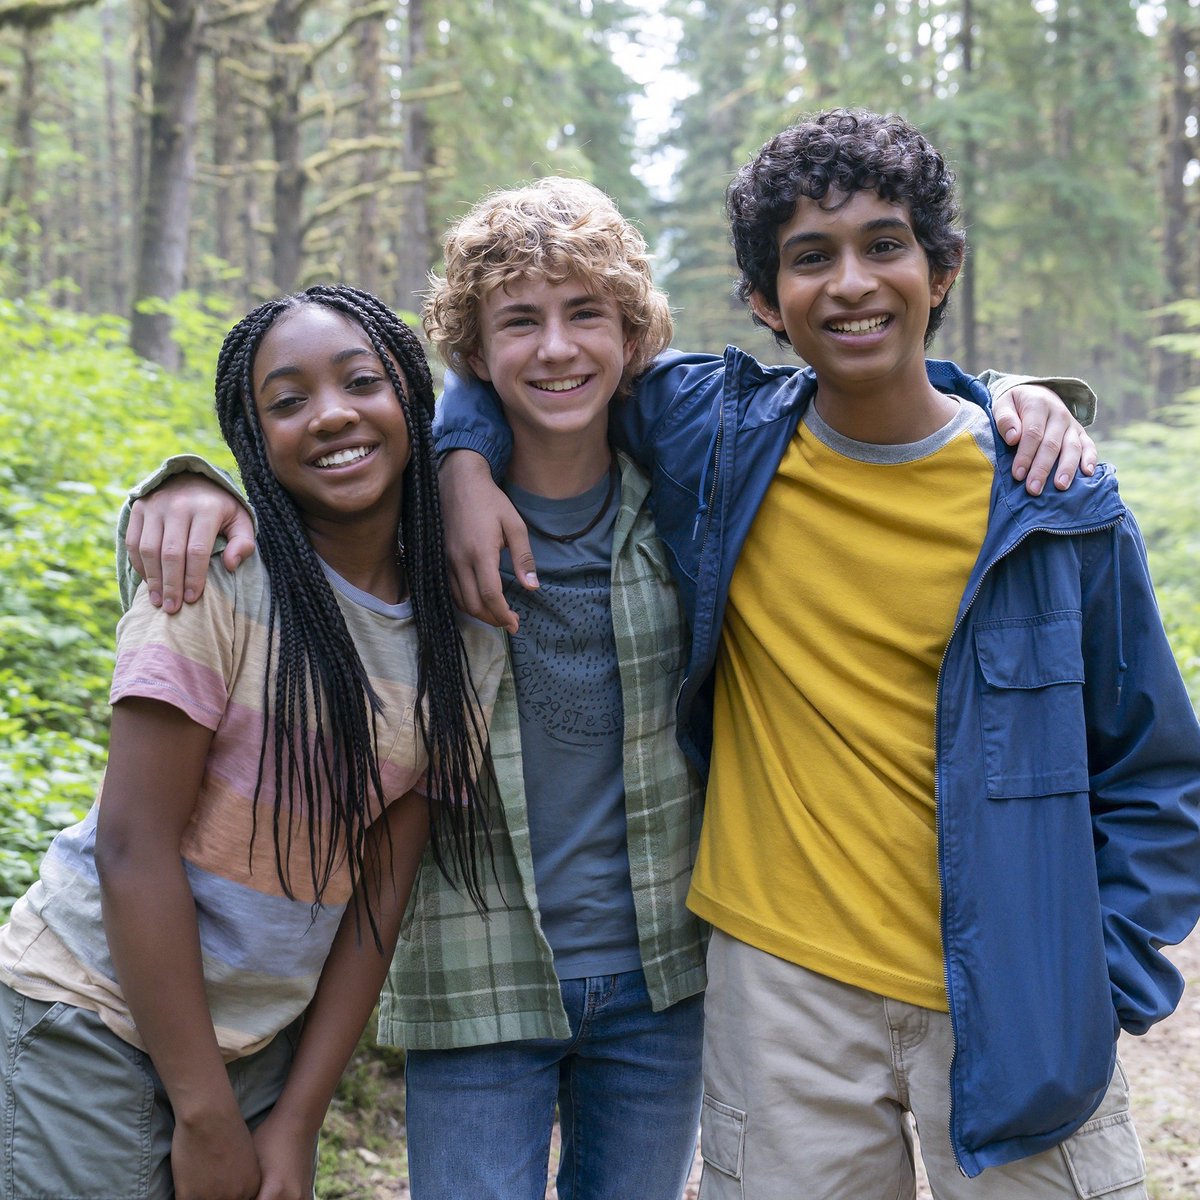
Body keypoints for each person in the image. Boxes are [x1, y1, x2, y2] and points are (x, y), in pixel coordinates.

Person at [118, 184, 1096, 1200]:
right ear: (473, 351)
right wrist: (185, 487)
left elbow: (856, 396)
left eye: (585, 313)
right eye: (519, 322)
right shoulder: (411, 527)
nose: (556, 349)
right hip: (478, 977)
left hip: (663, 981)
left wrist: (1011, 394)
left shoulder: (695, 499)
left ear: (633, 337)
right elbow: (283, 534)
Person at [434, 110, 1200, 1199]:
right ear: (763, 297)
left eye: (885, 245)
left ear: (941, 270)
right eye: (809, 257)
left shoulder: (1050, 499)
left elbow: (1157, 771)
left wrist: (1099, 977)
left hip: (1018, 996)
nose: (850, 284)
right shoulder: (718, 440)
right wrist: (461, 460)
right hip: (781, 993)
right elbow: (527, 356)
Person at [0, 284, 504, 1200]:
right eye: (288, 400)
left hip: (256, 1048)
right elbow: (131, 846)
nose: (332, 415)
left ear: (412, 400)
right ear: (252, 435)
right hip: (90, 1016)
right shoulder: (217, 583)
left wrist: (299, 1117)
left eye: (361, 381)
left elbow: (380, 893)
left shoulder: (458, 637)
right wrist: (203, 1115)